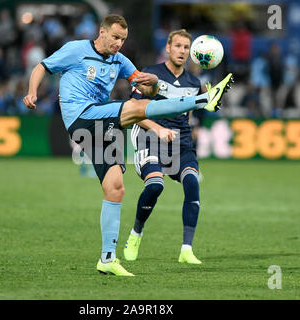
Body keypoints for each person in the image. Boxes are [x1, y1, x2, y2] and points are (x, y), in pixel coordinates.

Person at [23, 14, 233, 276]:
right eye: (115, 37)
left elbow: (146, 90)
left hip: (101, 126)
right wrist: (32, 91)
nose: (119, 43)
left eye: (123, 39)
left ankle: (107, 258)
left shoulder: (120, 61)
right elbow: (42, 66)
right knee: (137, 109)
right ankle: (203, 101)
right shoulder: (76, 50)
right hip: (81, 115)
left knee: (115, 188)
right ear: (102, 32)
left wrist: (153, 84)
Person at [123, 29, 205, 265]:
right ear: (168, 48)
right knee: (156, 185)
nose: (182, 51)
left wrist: (207, 103)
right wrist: (158, 129)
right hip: (150, 138)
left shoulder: (193, 82)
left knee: (192, 182)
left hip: (180, 143)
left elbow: (187, 116)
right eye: (178, 46)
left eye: (186, 47)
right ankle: (136, 233)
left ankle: (186, 249)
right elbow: (132, 109)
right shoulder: (150, 74)